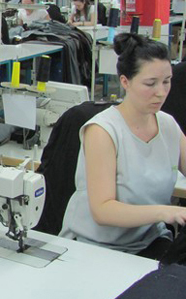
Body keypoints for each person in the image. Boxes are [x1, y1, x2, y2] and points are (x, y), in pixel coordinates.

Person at [60, 33, 186, 259]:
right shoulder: (103, 131)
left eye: (167, 81)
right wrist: (166, 212)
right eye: (150, 83)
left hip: (148, 240)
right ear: (125, 81)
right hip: (97, 247)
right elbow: (103, 210)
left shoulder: (168, 125)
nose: (161, 92)